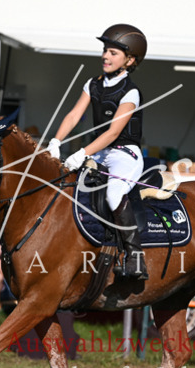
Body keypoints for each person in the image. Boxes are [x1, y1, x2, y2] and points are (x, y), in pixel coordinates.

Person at [48, 23, 149, 279]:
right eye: (105, 50)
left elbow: (113, 133)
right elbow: (73, 115)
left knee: (114, 194)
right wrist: (56, 141)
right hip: (98, 152)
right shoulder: (92, 83)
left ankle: (135, 257)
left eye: (114, 53)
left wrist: (82, 153)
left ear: (130, 60)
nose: (105, 56)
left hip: (125, 154)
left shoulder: (131, 91)